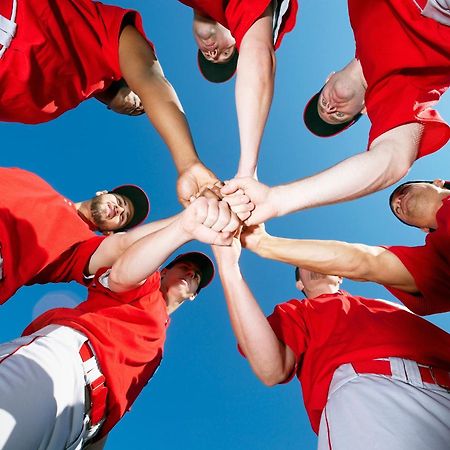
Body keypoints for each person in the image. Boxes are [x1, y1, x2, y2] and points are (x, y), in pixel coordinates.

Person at [0, 195, 240, 449]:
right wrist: (182, 229)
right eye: (185, 267)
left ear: (193, 295)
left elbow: (118, 405)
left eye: (196, 278)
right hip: (60, 366)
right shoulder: (147, 284)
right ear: (164, 271)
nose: (191, 273)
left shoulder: (157, 350)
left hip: (80, 429)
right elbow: (123, 273)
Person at [212, 237, 450, 449]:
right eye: (303, 263)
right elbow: (271, 368)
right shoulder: (297, 312)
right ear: (299, 285)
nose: (312, 263)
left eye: (318, 258)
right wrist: (229, 268)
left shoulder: (388, 304)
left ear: (339, 274)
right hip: (372, 397)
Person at [222, 0, 450, 220]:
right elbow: (392, 159)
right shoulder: (399, 94)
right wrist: (277, 199)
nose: (330, 107)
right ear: (364, 110)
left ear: (329, 78)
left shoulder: (358, 12)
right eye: (338, 115)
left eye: (323, 104)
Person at [0, 0, 219, 205]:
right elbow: (150, 80)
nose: (139, 106)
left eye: (137, 112)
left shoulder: (46, 108)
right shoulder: (101, 30)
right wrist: (188, 163)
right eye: (144, 102)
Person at [237, 178, 450, 315]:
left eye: (404, 190)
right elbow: (366, 262)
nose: (399, 202)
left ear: (438, 183)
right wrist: (262, 243)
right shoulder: (436, 262)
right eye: (397, 208)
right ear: (423, 228)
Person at [178, 0, 298, 178]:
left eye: (208, 56)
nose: (213, 54)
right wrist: (247, 172)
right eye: (226, 53)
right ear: (237, 36)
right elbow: (257, 52)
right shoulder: (244, 8)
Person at [0, 167, 150, 305]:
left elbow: (123, 247)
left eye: (123, 217)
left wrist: (174, 228)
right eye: (119, 201)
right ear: (102, 193)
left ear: (109, 233)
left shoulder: (82, 246)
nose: (119, 209)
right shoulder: (32, 182)